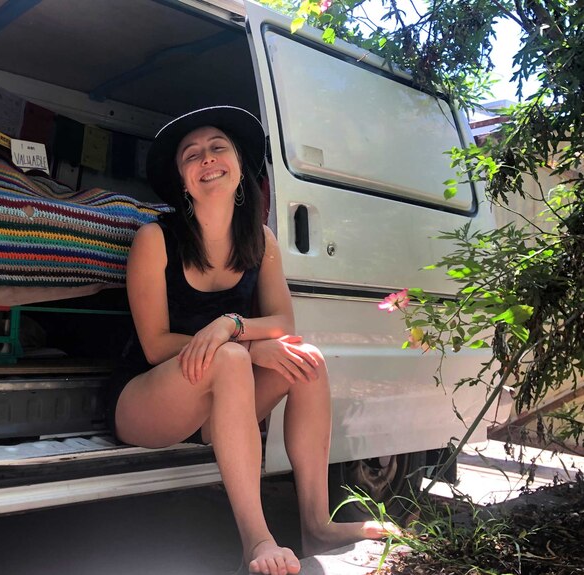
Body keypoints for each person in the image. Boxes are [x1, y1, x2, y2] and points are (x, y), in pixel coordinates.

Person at [109, 106, 396, 575]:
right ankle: (256, 542)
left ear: (240, 166)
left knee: (306, 359)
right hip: (146, 401)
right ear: (182, 180)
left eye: (218, 147)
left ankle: (316, 523)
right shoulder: (154, 240)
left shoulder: (260, 241)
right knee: (229, 361)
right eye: (191, 155)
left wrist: (232, 326)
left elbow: (283, 320)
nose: (207, 159)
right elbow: (156, 346)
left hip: (217, 400)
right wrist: (242, 348)